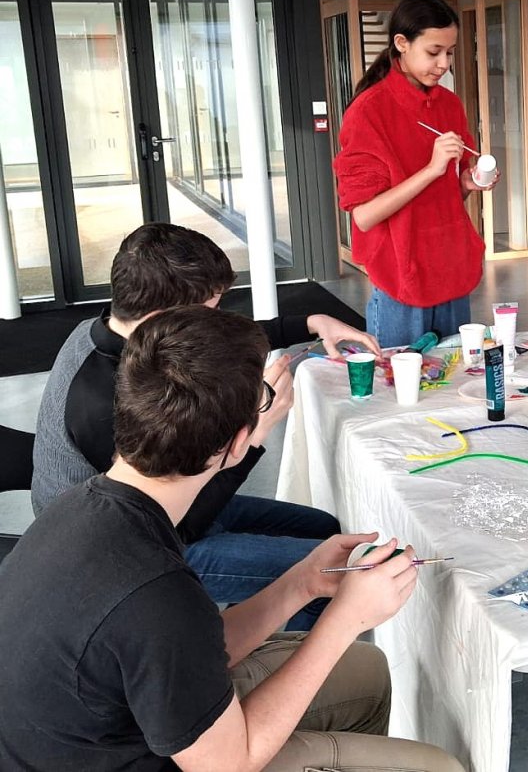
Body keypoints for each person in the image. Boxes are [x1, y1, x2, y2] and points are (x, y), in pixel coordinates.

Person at [0, 306, 463, 772]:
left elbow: (183, 648)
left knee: (366, 671)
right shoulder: (154, 589)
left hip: (108, 730)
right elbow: (227, 763)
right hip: (188, 758)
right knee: (439, 766)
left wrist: (301, 583)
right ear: (241, 442)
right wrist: (346, 618)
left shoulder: (90, 508)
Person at [31, 222, 380, 630]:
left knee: (326, 530)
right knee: (332, 572)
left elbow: (214, 340)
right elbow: (179, 524)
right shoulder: (101, 403)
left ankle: (247, 627)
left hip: (165, 503)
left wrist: (312, 322)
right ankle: (277, 661)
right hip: (129, 550)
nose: (217, 319)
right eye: (209, 312)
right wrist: (254, 434)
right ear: (165, 317)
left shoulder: (116, 328)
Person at [334, 0, 497, 348]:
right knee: (403, 378)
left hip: (450, 266)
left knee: (457, 374)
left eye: (450, 52)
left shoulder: (449, 105)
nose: (443, 64)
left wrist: (465, 183)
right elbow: (364, 216)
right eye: (433, 52)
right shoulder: (368, 112)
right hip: (400, 273)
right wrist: (431, 169)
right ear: (401, 43)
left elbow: (444, 197)